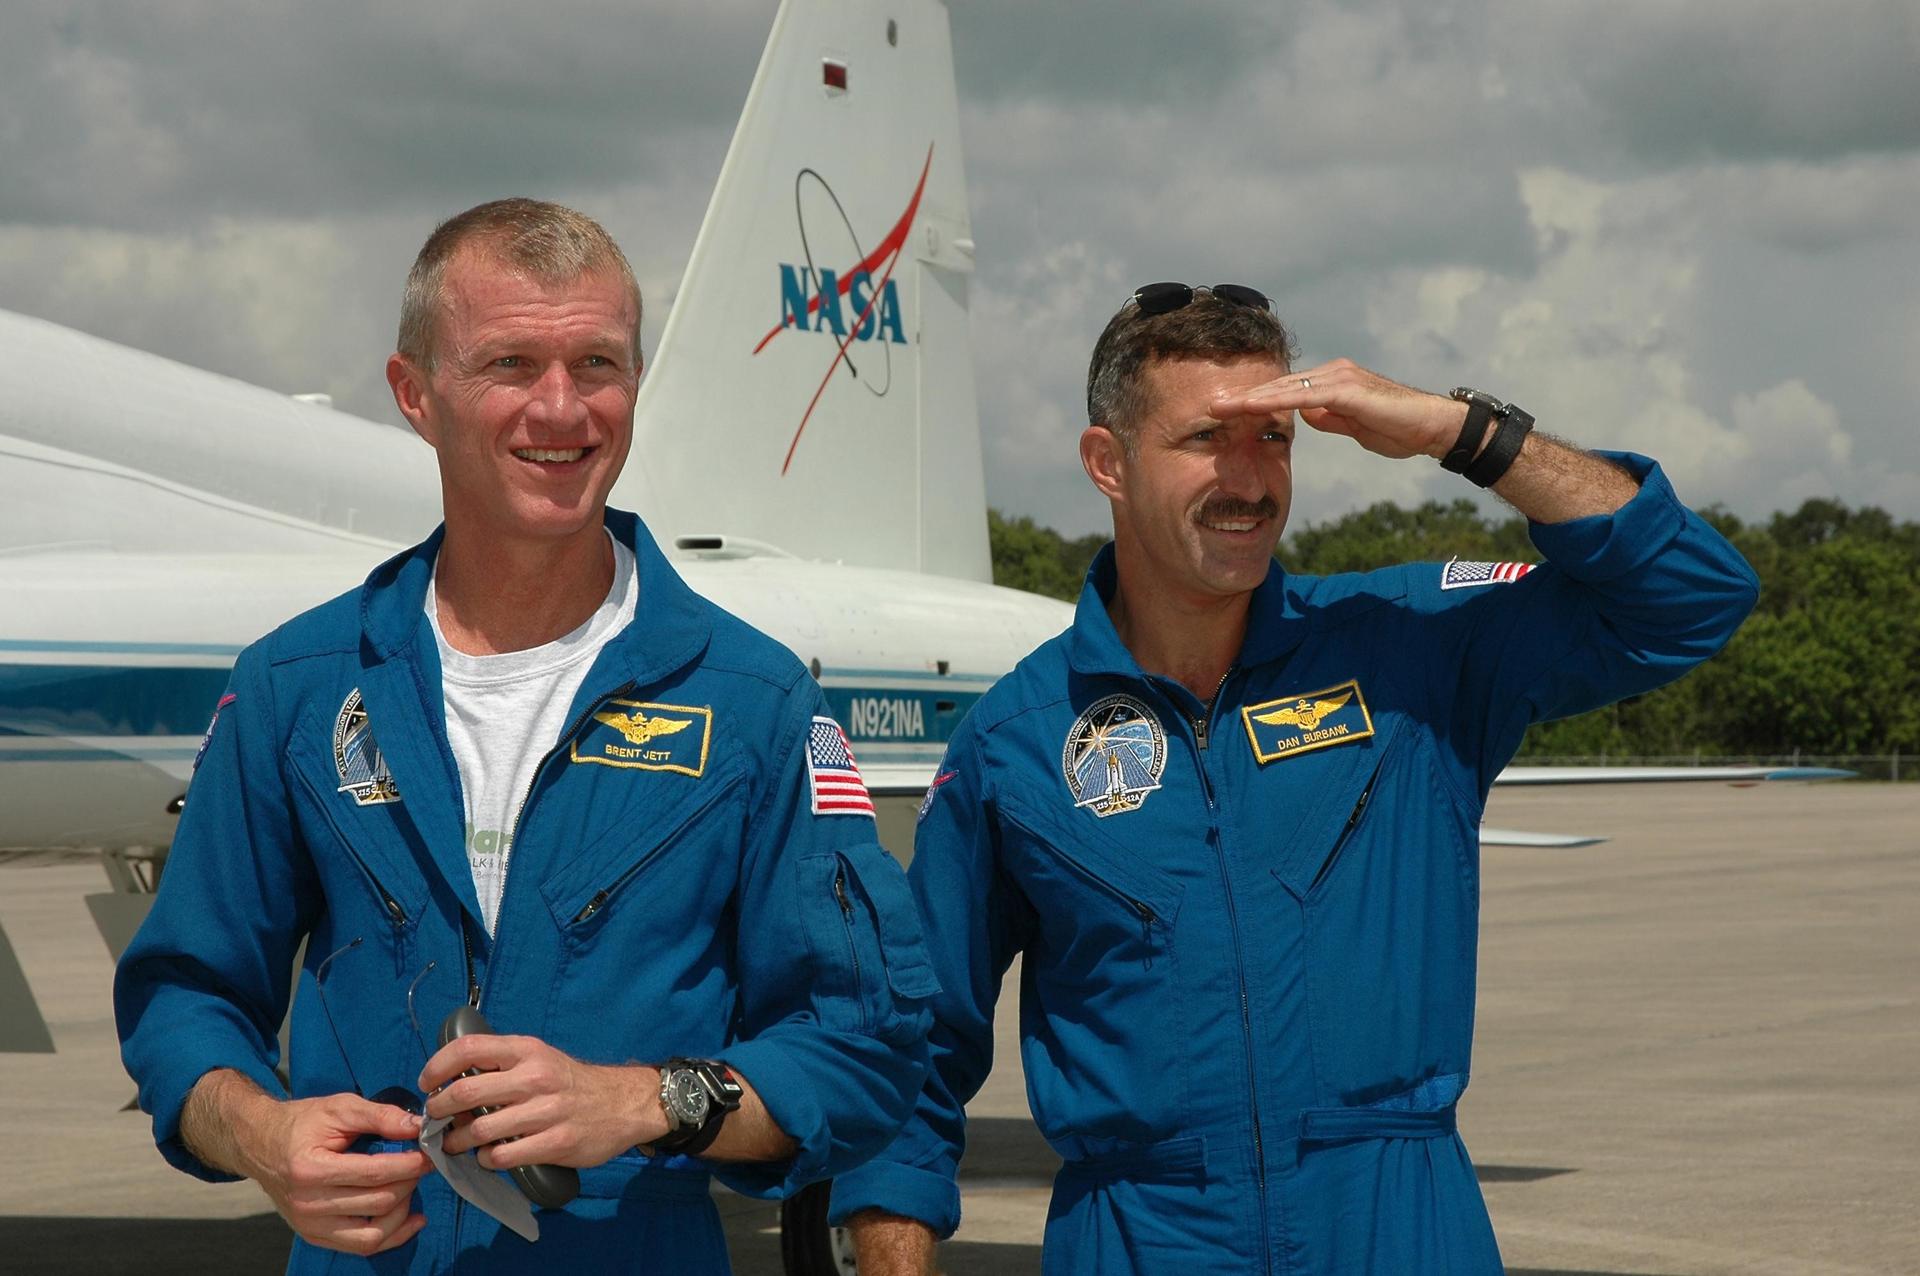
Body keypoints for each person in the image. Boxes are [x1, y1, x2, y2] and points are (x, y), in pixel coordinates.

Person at [832, 282, 1759, 1273]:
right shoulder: (1015, 740)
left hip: (1399, 1225)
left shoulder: (1408, 653)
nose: (1249, 480)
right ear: (1108, 462)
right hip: (1140, 1237)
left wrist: (1460, 430)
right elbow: (909, 1051)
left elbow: (1692, 596)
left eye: (1272, 439)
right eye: (1206, 439)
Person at [115, 199, 937, 1273]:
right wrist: (261, 1134)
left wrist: (647, 1100)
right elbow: (186, 994)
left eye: (598, 363)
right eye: (510, 363)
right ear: (416, 394)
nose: (562, 407)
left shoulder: (755, 704)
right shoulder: (296, 689)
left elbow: (862, 1048)